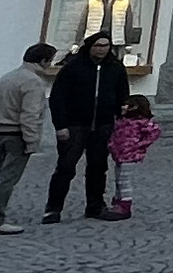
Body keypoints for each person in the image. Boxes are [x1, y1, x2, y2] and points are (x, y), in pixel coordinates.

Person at [45, 30, 129, 219]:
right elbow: (58, 98)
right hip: (75, 124)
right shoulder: (73, 66)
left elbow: (122, 94)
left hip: (103, 124)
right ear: (90, 46)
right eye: (98, 46)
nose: (102, 50)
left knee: (98, 167)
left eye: (106, 46)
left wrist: (121, 116)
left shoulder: (116, 67)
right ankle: (53, 208)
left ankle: (95, 206)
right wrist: (60, 125)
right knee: (66, 167)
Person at [0, 44, 57, 233]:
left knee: (2, 176)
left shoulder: (7, 77)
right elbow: (29, 114)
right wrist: (31, 141)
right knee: (8, 178)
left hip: (2, 131)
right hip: (17, 134)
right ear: (44, 61)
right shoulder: (32, 82)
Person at [103, 86, 155, 216]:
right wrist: (111, 145)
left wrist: (139, 145)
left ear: (134, 107)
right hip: (119, 155)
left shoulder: (140, 123)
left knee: (124, 180)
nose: (122, 107)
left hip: (130, 155)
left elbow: (154, 133)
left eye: (126, 105)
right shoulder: (123, 121)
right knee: (118, 179)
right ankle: (118, 201)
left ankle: (125, 204)